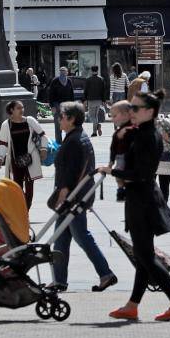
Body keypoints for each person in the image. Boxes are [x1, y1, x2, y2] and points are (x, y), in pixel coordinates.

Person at [98, 91, 170, 321]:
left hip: (144, 200)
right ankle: (132, 305)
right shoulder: (141, 132)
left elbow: (142, 174)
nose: (131, 112)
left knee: (144, 256)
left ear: (149, 111)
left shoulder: (148, 136)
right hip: (140, 198)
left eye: (135, 109)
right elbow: (122, 147)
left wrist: (112, 171)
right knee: (143, 254)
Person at [48, 101, 117, 294]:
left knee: (81, 236)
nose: (59, 119)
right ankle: (59, 280)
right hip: (76, 196)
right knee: (61, 239)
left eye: (61, 116)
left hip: (73, 198)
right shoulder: (78, 137)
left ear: (71, 119)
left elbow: (71, 171)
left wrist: (63, 191)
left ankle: (106, 273)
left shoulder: (74, 141)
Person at [0, 99, 47, 209]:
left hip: (30, 159)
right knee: (17, 188)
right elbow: (3, 143)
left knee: (29, 188)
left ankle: (25, 210)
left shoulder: (30, 121)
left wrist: (43, 149)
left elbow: (43, 135)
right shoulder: (6, 125)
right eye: (18, 108)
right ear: (11, 110)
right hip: (15, 161)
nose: (22, 110)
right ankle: (20, 209)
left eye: (22, 107)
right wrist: (0, 157)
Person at [83, 65, 108, 132]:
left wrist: (85, 99)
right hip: (99, 100)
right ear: (97, 70)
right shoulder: (101, 79)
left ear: (91, 71)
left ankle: (97, 126)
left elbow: (86, 90)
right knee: (95, 116)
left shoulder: (88, 79)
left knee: (91, 116)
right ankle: (94, 132)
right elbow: (103, 90)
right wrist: (104, 100)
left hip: (91, 100)